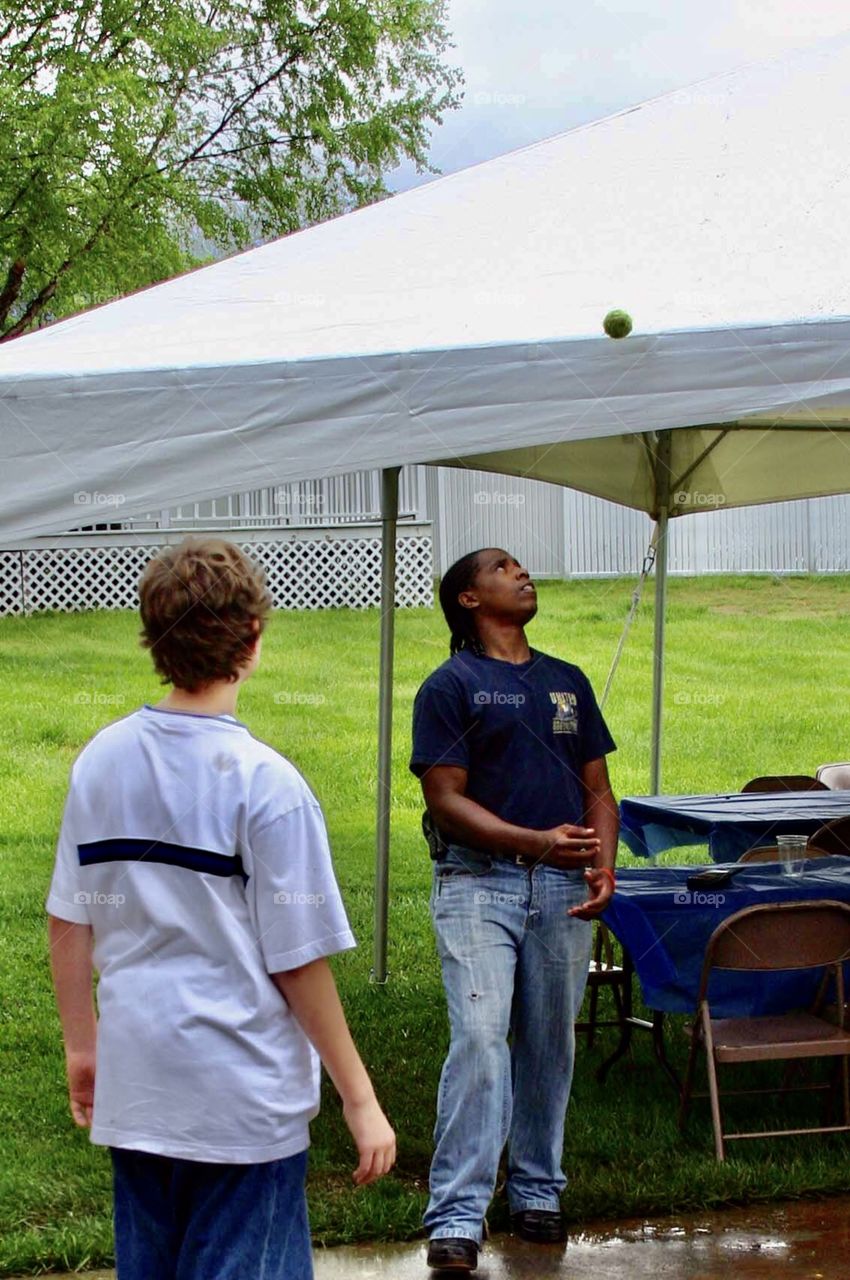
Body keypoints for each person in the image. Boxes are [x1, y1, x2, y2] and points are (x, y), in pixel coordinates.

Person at [47, 536, 395, 1280]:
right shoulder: (268, 785)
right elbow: (298, 961)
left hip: (138, 1092)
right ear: (255, 638)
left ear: (152, 636)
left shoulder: (100, 761)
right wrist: (359, 1098)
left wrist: (84, 1047)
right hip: (242, 1106)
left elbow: (70, 918)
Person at [410, 547, 618, 1274]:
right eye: (502, 567)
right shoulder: (452, 685)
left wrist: (603, 861)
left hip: (564, 890)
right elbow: (446, 799)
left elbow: (598, 787)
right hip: (478, 884)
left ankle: (536, 1190)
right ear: (469, 599)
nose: (522, 572)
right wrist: (534, 840)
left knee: (549, 1043)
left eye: (521, 565)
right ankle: (458, 1215)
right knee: (478, 1035)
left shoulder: (567, 681)